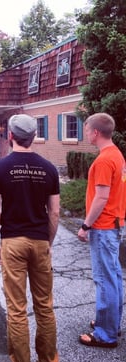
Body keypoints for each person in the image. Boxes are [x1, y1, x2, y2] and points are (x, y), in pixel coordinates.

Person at [0, 114, 60, 362]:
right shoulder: (49, 168)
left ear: (11, 137)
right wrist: (47, 242)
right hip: (40, 241)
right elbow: (55, 212)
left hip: (13, 243)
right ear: (34, 137)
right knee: (45, 306)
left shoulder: (1, 167)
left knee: (17, 310)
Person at [77, 112, 125, 348]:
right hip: (115, 225)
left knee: (105, 279)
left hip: (104, 227)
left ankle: (105, 334)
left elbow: (102, 197)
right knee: (114, 276)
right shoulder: (117, 155)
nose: (86, 134)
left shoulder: (105, 159)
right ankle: (111, 323)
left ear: (95, 132)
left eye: (87, 130)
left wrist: (86, 225)